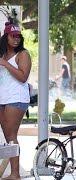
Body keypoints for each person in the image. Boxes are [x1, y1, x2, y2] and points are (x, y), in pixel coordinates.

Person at [0, 22, 32, 179]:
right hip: (3, 98)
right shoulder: (2, 54)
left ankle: (15, 174)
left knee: (11, 135)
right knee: (8, 137)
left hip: (17, 98)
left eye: (18, 36)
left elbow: (23, 77)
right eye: (13, 36)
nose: (16, 39)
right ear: (6, 37)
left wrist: (5, 64)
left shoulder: (23, 54)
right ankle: (12, 172)